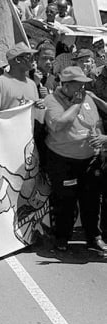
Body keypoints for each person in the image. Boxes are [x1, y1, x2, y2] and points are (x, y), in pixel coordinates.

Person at [43, 66, 107, 254]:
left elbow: (97, 123)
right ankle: (62, 237)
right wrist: (76, 104)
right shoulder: (51, 100)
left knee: (92, 200)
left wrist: (100, 139)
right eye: (79, 85)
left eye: (84, 85)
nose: (83, 89)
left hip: (90, 159)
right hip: (64, 161)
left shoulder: (88, 98)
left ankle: (93, 237)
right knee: (65, 201)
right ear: (66, 85)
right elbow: (58, 125)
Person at [0, 43, 44, 113]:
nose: (33, 61)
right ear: (18, 60)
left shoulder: (32, 84)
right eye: (30, 57)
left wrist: (40, 106)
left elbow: (36, 114)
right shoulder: (0, 82)